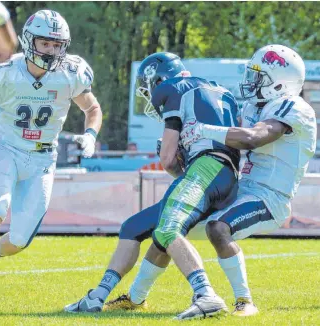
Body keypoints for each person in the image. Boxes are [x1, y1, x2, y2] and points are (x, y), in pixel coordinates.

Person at [105, 44, 316, 319]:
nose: (251, 81)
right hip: (241, 190)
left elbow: (253, 137)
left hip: (269, 196)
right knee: (169, 227)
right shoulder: (254, 106)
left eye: (259, 76)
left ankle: (244, 301)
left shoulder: (293, 107)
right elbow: (230, 139)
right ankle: (135, 298)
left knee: (218, 228)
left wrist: (202, 130)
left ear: (279, 83)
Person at [64, 52, 241, 317]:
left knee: (167, 229)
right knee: (133, 227)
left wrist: (180, 162)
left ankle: (206, 295)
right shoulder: (219, 89)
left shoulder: (173, 88)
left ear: (158, 79)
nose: (150, 95)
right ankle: (98, 296)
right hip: (225, 175)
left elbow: (168, 159)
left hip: (206, 168)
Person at [0, 10, 102, 301]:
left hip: (44, 159)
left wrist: (90, 135)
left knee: (18, 240)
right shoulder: (6, 71)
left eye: (58, 45)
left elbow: (92, 109)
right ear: (30, 40)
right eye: (46, 43)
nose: (52, 50)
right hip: (6, 148)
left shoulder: (70, 73)